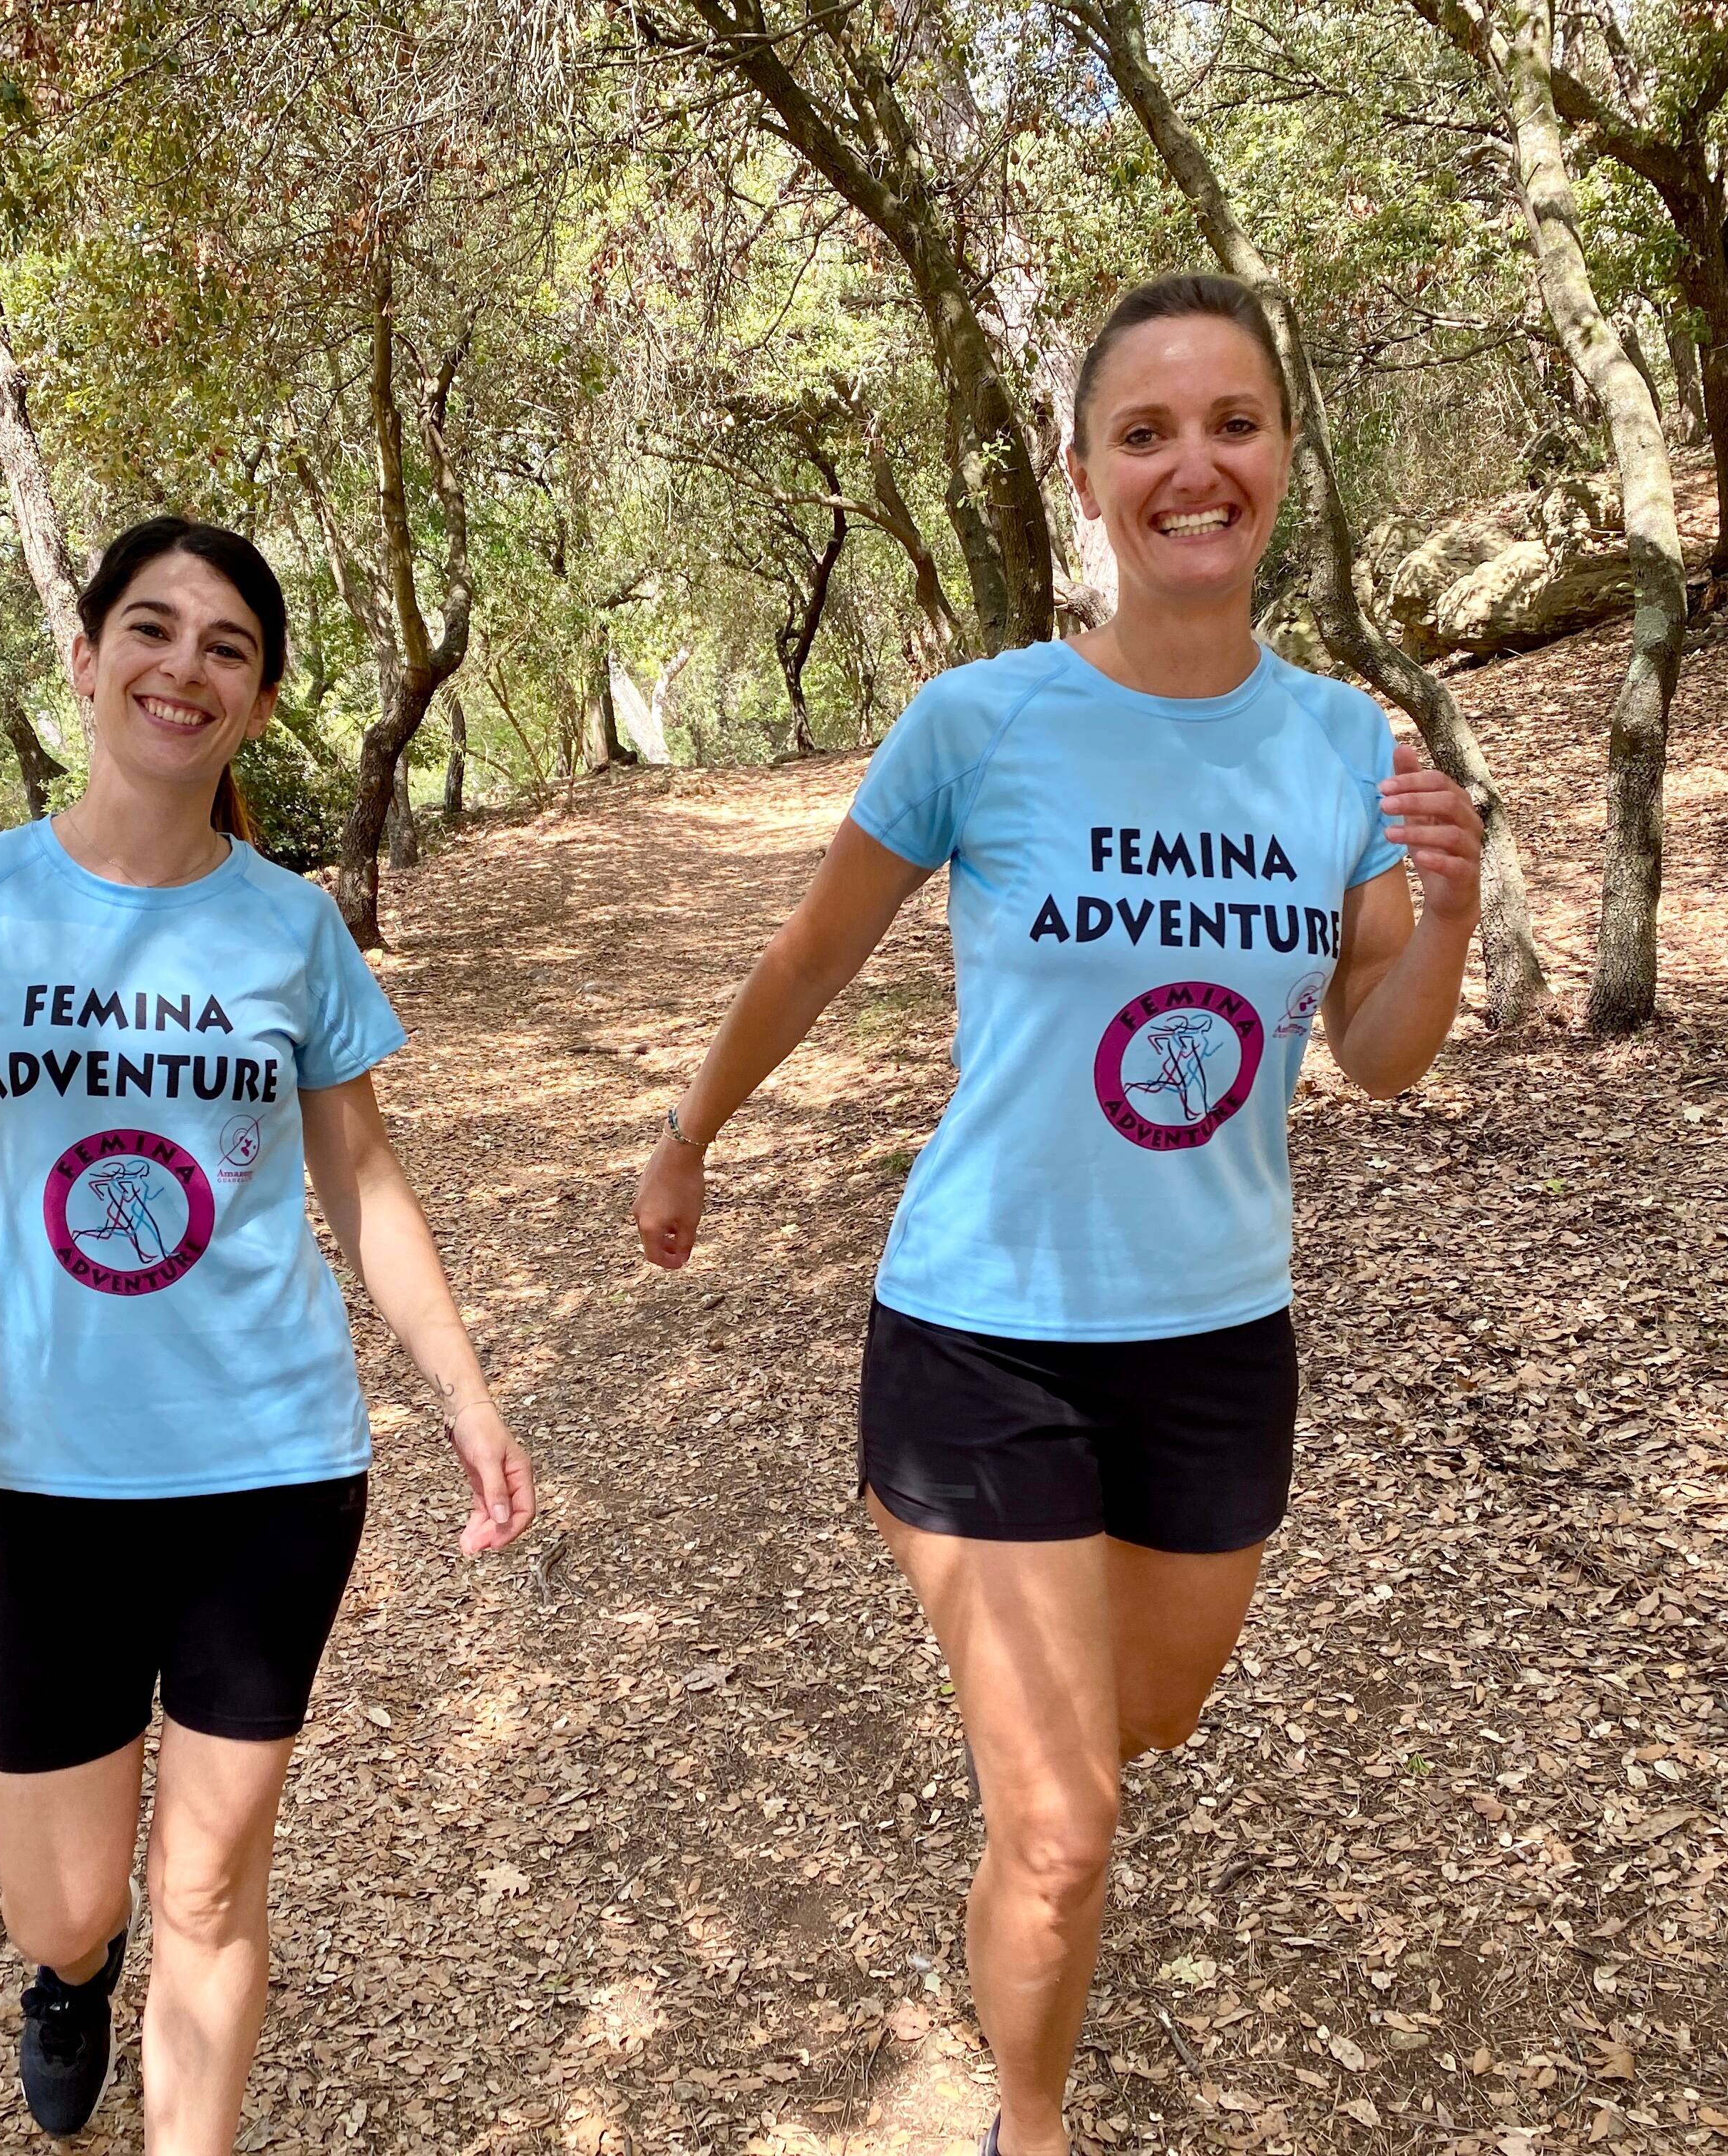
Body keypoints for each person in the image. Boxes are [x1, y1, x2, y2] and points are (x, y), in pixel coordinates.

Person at [631, 275, 1483, 2156]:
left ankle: (1040, 1760)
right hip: (981, 1334)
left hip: (1216, 1342)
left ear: (1281, 455)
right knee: (1066, 1823)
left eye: (1235, 423)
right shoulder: (984, 722)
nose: (1196, 464)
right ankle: (1032, 2121)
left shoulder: (1348, 751)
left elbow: (1383, 1050)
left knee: (1140, 1729)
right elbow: (817, 948)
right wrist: (692, 1132)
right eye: (1147, 431)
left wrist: (1456, 913)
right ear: (1087, 476)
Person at [0, 517, 535, 2150]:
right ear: (84, 661)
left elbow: (364, 1184)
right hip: (64, 1484)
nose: (184, 666)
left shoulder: (289, 927)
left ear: (261, 704)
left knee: (210, 1887)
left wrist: (467, 1396)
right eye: (151, 629)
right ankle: (71, 1977)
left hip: (275, 1468)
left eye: (229, 647)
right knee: (69, 1904)